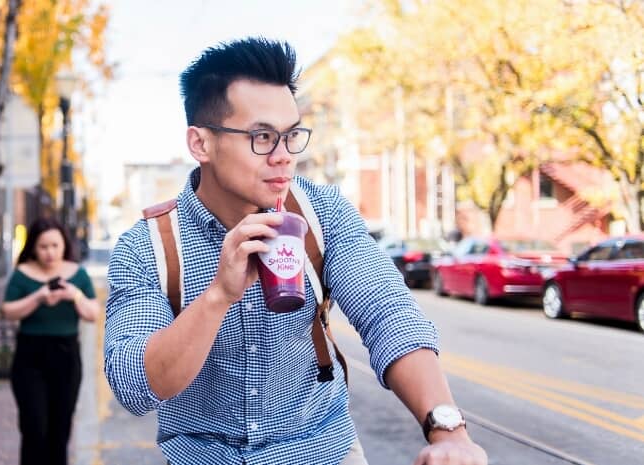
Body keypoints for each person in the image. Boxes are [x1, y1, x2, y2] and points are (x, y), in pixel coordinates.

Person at [104, 38, 488, 465]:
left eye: (291, 136)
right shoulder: (149, 246)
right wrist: (217, 296)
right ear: (201, 144)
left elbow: (388, 312)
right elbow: (133, 385)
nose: (284, 157)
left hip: (323, 449)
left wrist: (447, 429)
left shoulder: (322, 213)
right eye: (263, 137)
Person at [0, 217, 100, 465]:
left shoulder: (77, 274)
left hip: (66, 357)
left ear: (64, 245)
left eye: (55, 246)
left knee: (60, 429)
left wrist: (74, 295)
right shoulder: (22, 274)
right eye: (43, 246)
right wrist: (39, 297)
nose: (50, 253)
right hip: (30, 357)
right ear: (33, 247)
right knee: (34, 428)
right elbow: (8, 311)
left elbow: (93, 314)